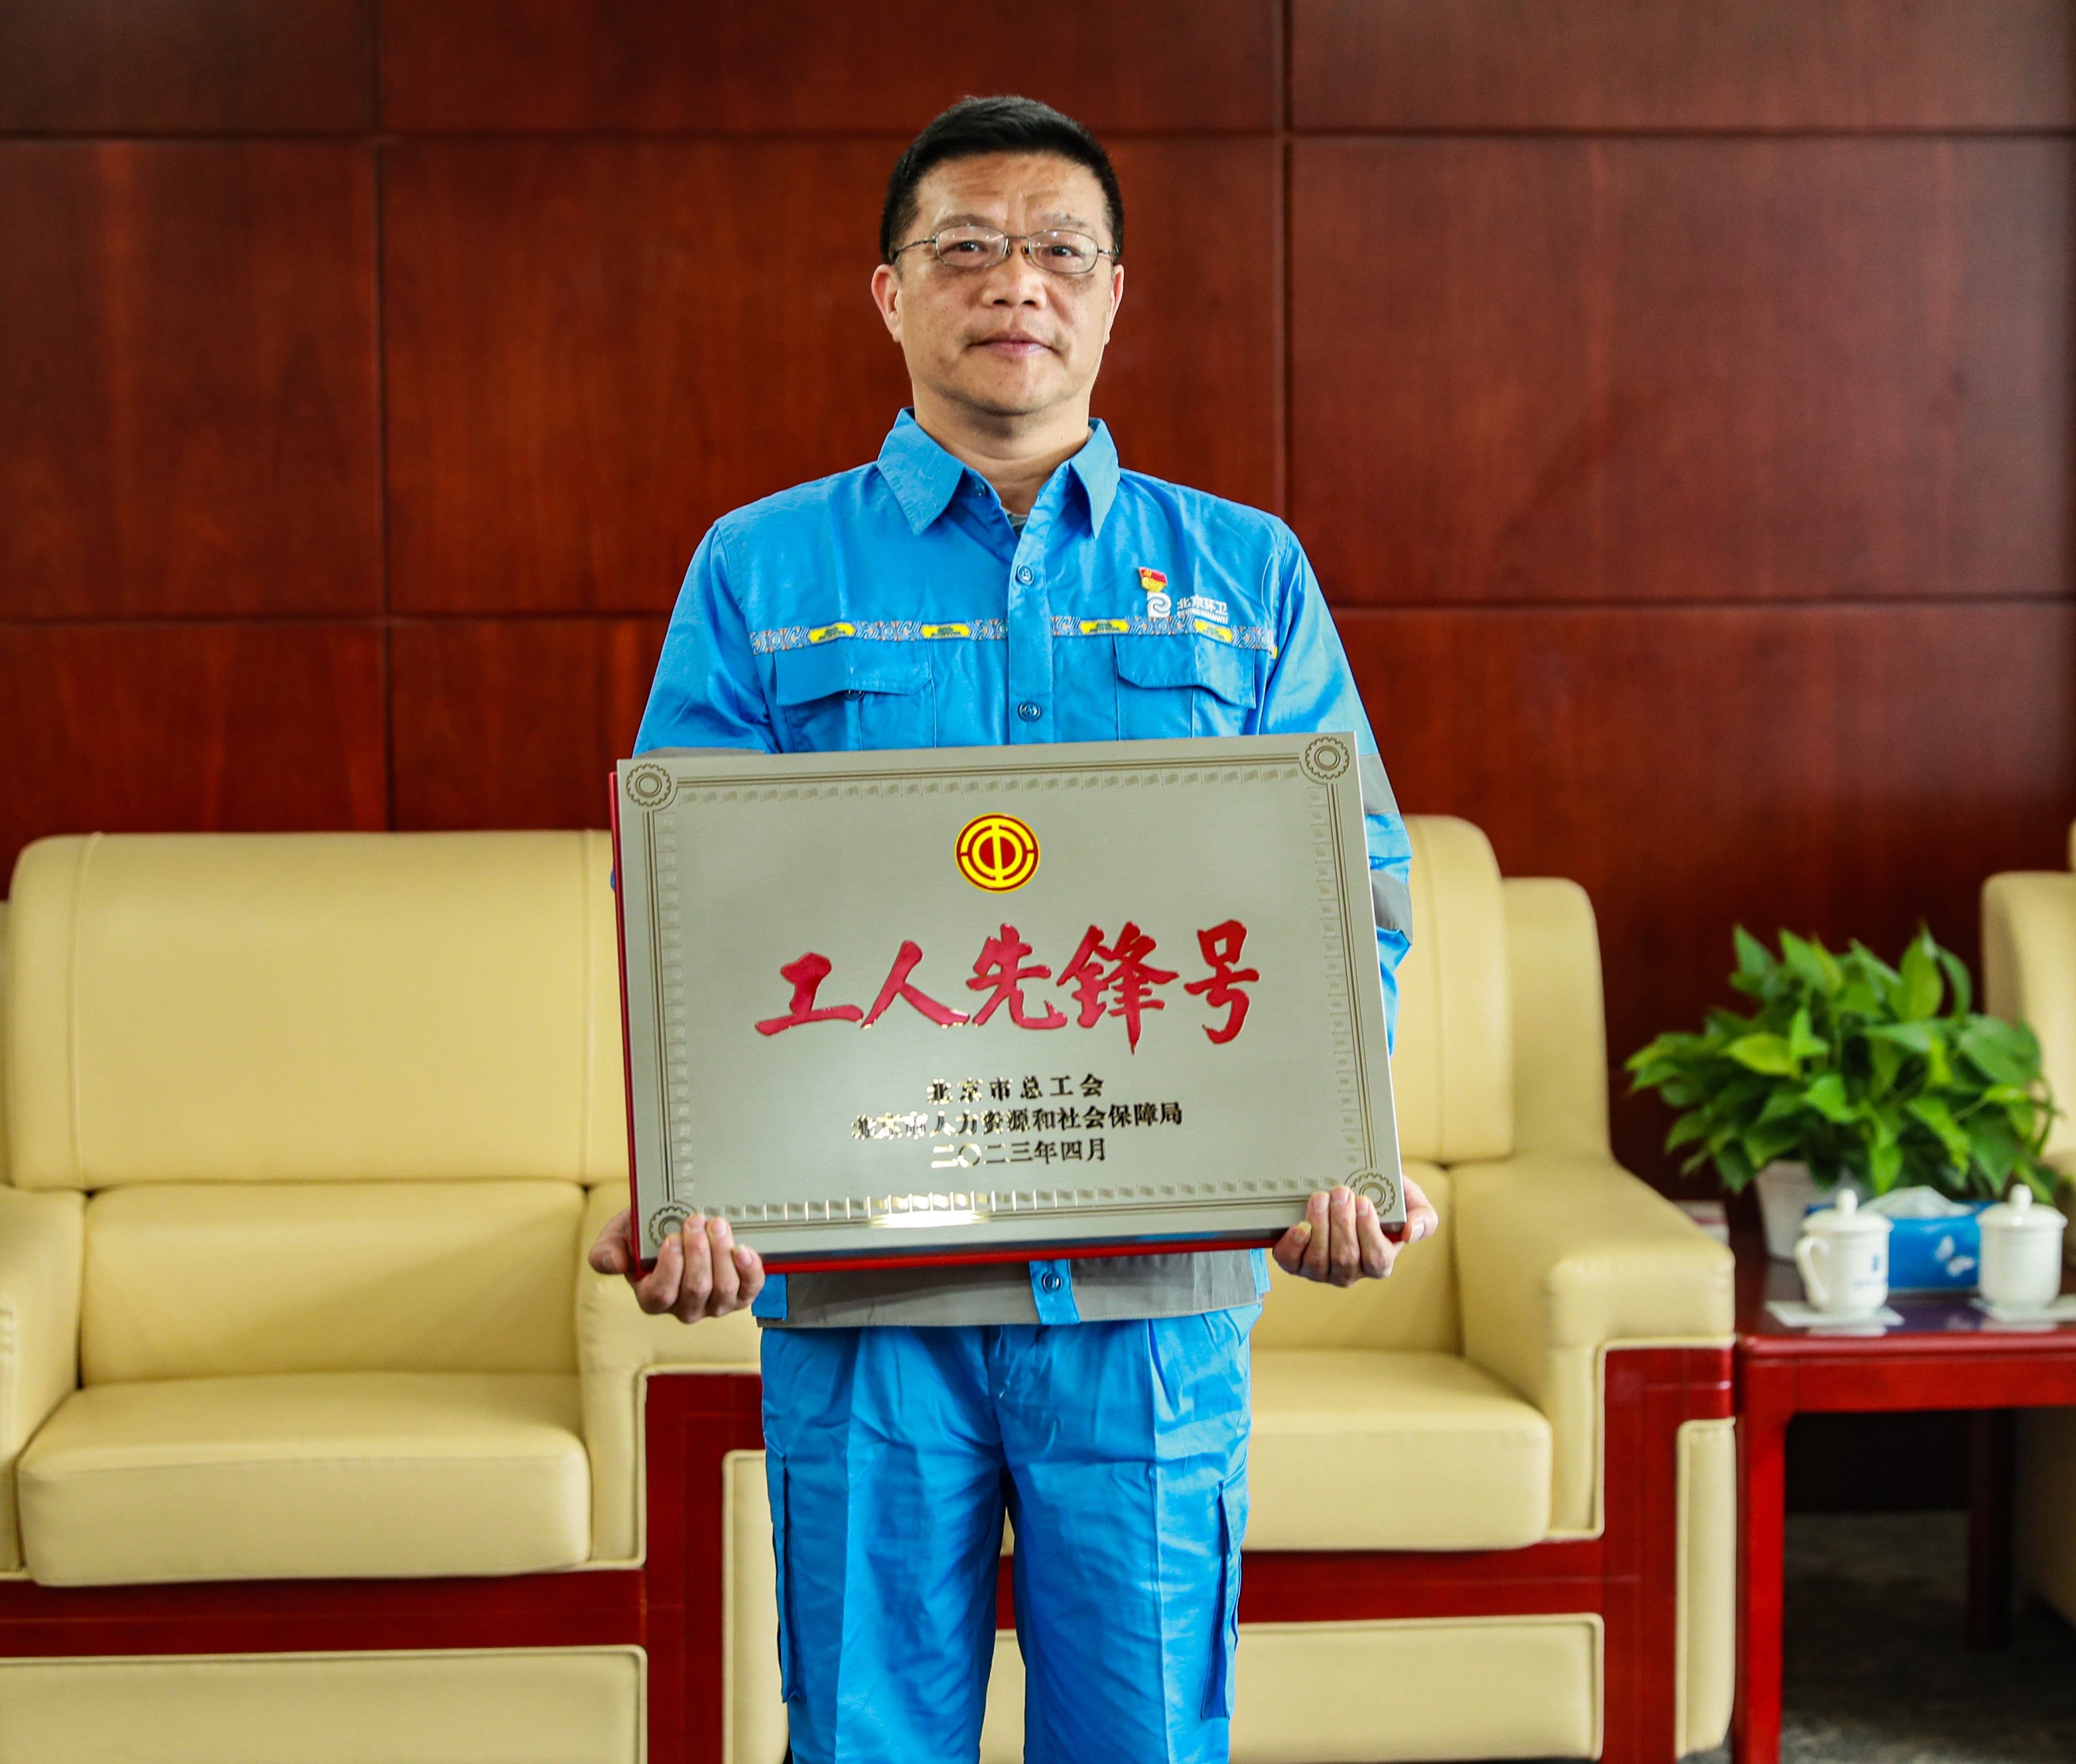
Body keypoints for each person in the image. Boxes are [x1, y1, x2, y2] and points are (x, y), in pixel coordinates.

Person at [588, 94, 1438, 1764]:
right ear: (890, 292)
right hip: (866, 1300)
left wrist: (1333, 1142)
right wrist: (700, 1173)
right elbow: (685, 904)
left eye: (1059, 249)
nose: (1015, 281)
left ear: (1114, 293)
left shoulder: (1243, 573)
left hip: (1152, 1303)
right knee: (867, 1737)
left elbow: (1356, 885)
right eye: (966, 245)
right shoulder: (762, 569)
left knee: (1145, 1737)